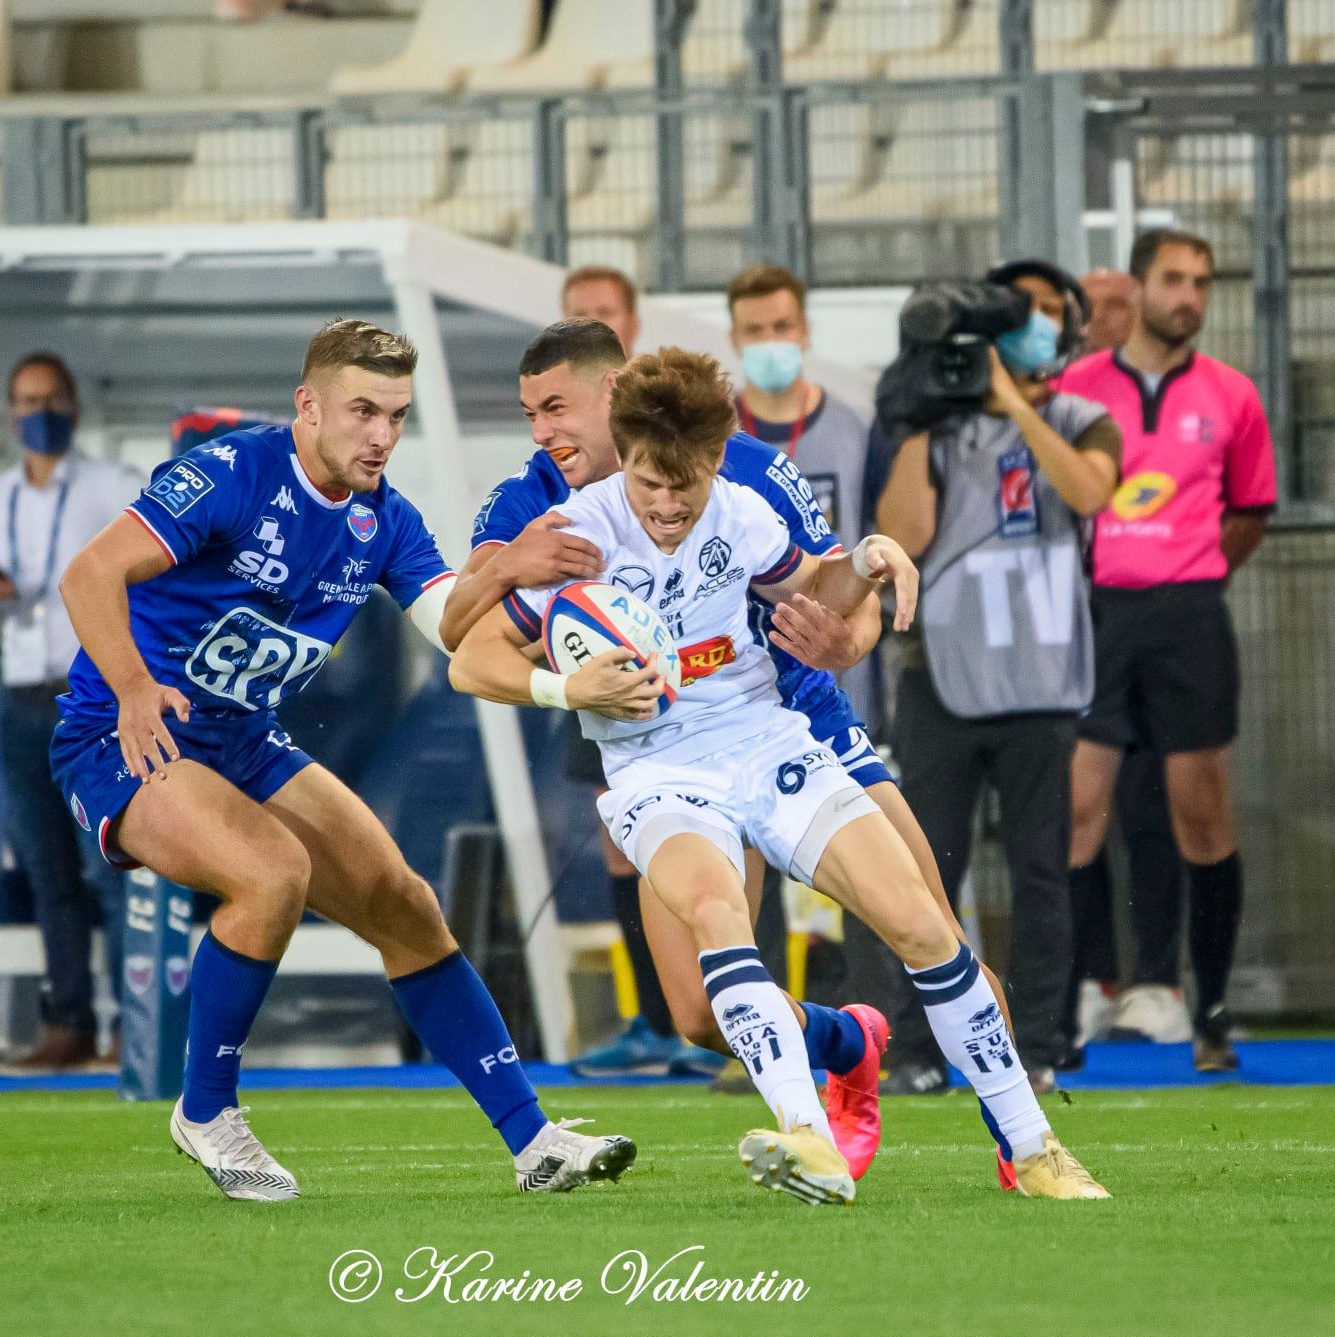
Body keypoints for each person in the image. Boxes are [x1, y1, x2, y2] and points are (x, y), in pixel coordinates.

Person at [450, 348, 1108, 1202]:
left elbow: (825, 590)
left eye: (681, 484)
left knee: (920, 922)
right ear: (626, 448)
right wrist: (565, 686)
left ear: (715, 459)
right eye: (648, 481)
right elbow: (469, 657)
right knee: (719, 925)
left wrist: (872, 557)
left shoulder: (747, 506)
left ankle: (1033, 1148)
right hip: (658, 770)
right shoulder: (576, 532)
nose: (663, 503)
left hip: (772, 742)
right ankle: (809, 1135)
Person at [52, 319, 634, 1199]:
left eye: (396, 416)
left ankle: (534, 1140)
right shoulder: (231, 473)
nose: (380, 435)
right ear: (308, 404)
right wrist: (133, 687)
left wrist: (507, 567)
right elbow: (88, 575)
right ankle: (206, 1110)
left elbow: (446, 626)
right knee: (270, 871)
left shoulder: (383, 520)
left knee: (405, 905)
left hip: (242, 738)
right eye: (362, 411)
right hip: (130, 732)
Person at [868, 260, 1120, 1095]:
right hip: (941, 673)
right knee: (922, 866)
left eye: (1049, 315)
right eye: (1021, 315)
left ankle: (1040, 1043)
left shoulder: (1087, 417)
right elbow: (905, 534)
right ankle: (914, 1049)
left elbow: (1088, 493)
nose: (1033, 329)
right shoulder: (935, 429)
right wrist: (913, 420)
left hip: (1041, 679)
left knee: (1041, 869)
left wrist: (1013, 404)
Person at [1055, 228, 1278, 1073]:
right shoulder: (1076, 388)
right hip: (1094, 615)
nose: (1188, 295)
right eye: (1173, 279)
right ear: (1138, 287)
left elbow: (1251, 508)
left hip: (1189, 618)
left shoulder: (1233, 395)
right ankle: (1069, 1008)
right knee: (1076, 815)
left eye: (1201, 281)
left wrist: (1190, 567)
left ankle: (1211, 1011)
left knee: (1202, 814)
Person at [0, 352, 140, 1075]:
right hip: (21, 698)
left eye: (52, 398)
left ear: (75, 407)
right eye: (27, 401)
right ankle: (67, 1022)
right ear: (9, 413)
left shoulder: (112, 488)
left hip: (90, 697)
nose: (40, 412)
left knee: (112, 865)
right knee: (46, 871)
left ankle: (131, 1022)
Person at [543, 267, 709, 1077]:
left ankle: (733, 1023)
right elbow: (474, 619)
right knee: (622, 842)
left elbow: (802, 557)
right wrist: (507, 568)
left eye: (602, 313)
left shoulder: (701, 442)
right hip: (607, 674)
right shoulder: (552, 470)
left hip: (722, 693)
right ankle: (652, 1020)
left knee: (736, 849)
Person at [726, 264, 879, 716]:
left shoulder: (855, 428)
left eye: (781, 327)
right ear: (734, 339)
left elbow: (872, 548)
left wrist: (856, 642)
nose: (769, 341)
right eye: (754, 330)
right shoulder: (711, 439)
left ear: (805, 331)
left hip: (838, 667)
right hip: (740, 676)